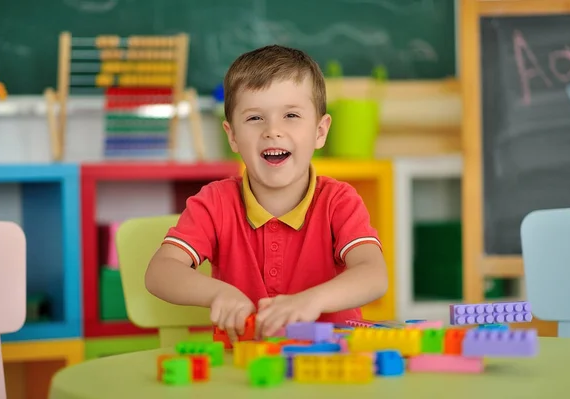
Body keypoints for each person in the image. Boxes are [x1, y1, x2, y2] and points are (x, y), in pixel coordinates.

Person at [145, 44, 388, 342]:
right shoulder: (214, 202)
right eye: (255, 118)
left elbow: (374, 275)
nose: (273, 131)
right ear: (232, 136)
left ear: (320, 132)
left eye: (291, 115)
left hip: (328, 372)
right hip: (243, 375)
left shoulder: (339, 202)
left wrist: (311, 300)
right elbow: (160, 272)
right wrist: (218, 293)